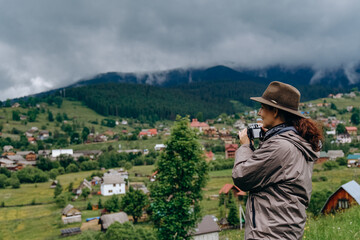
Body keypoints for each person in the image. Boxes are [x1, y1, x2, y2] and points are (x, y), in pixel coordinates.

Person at [232, 81, 323, 239]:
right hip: (285, 229)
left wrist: (246, 146)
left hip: (269, 232)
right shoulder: (297, 141)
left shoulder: (280, 147)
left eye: (262, 108)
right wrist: (269, 137)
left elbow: (242, 176)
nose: (260, 113)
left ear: (274, 111)